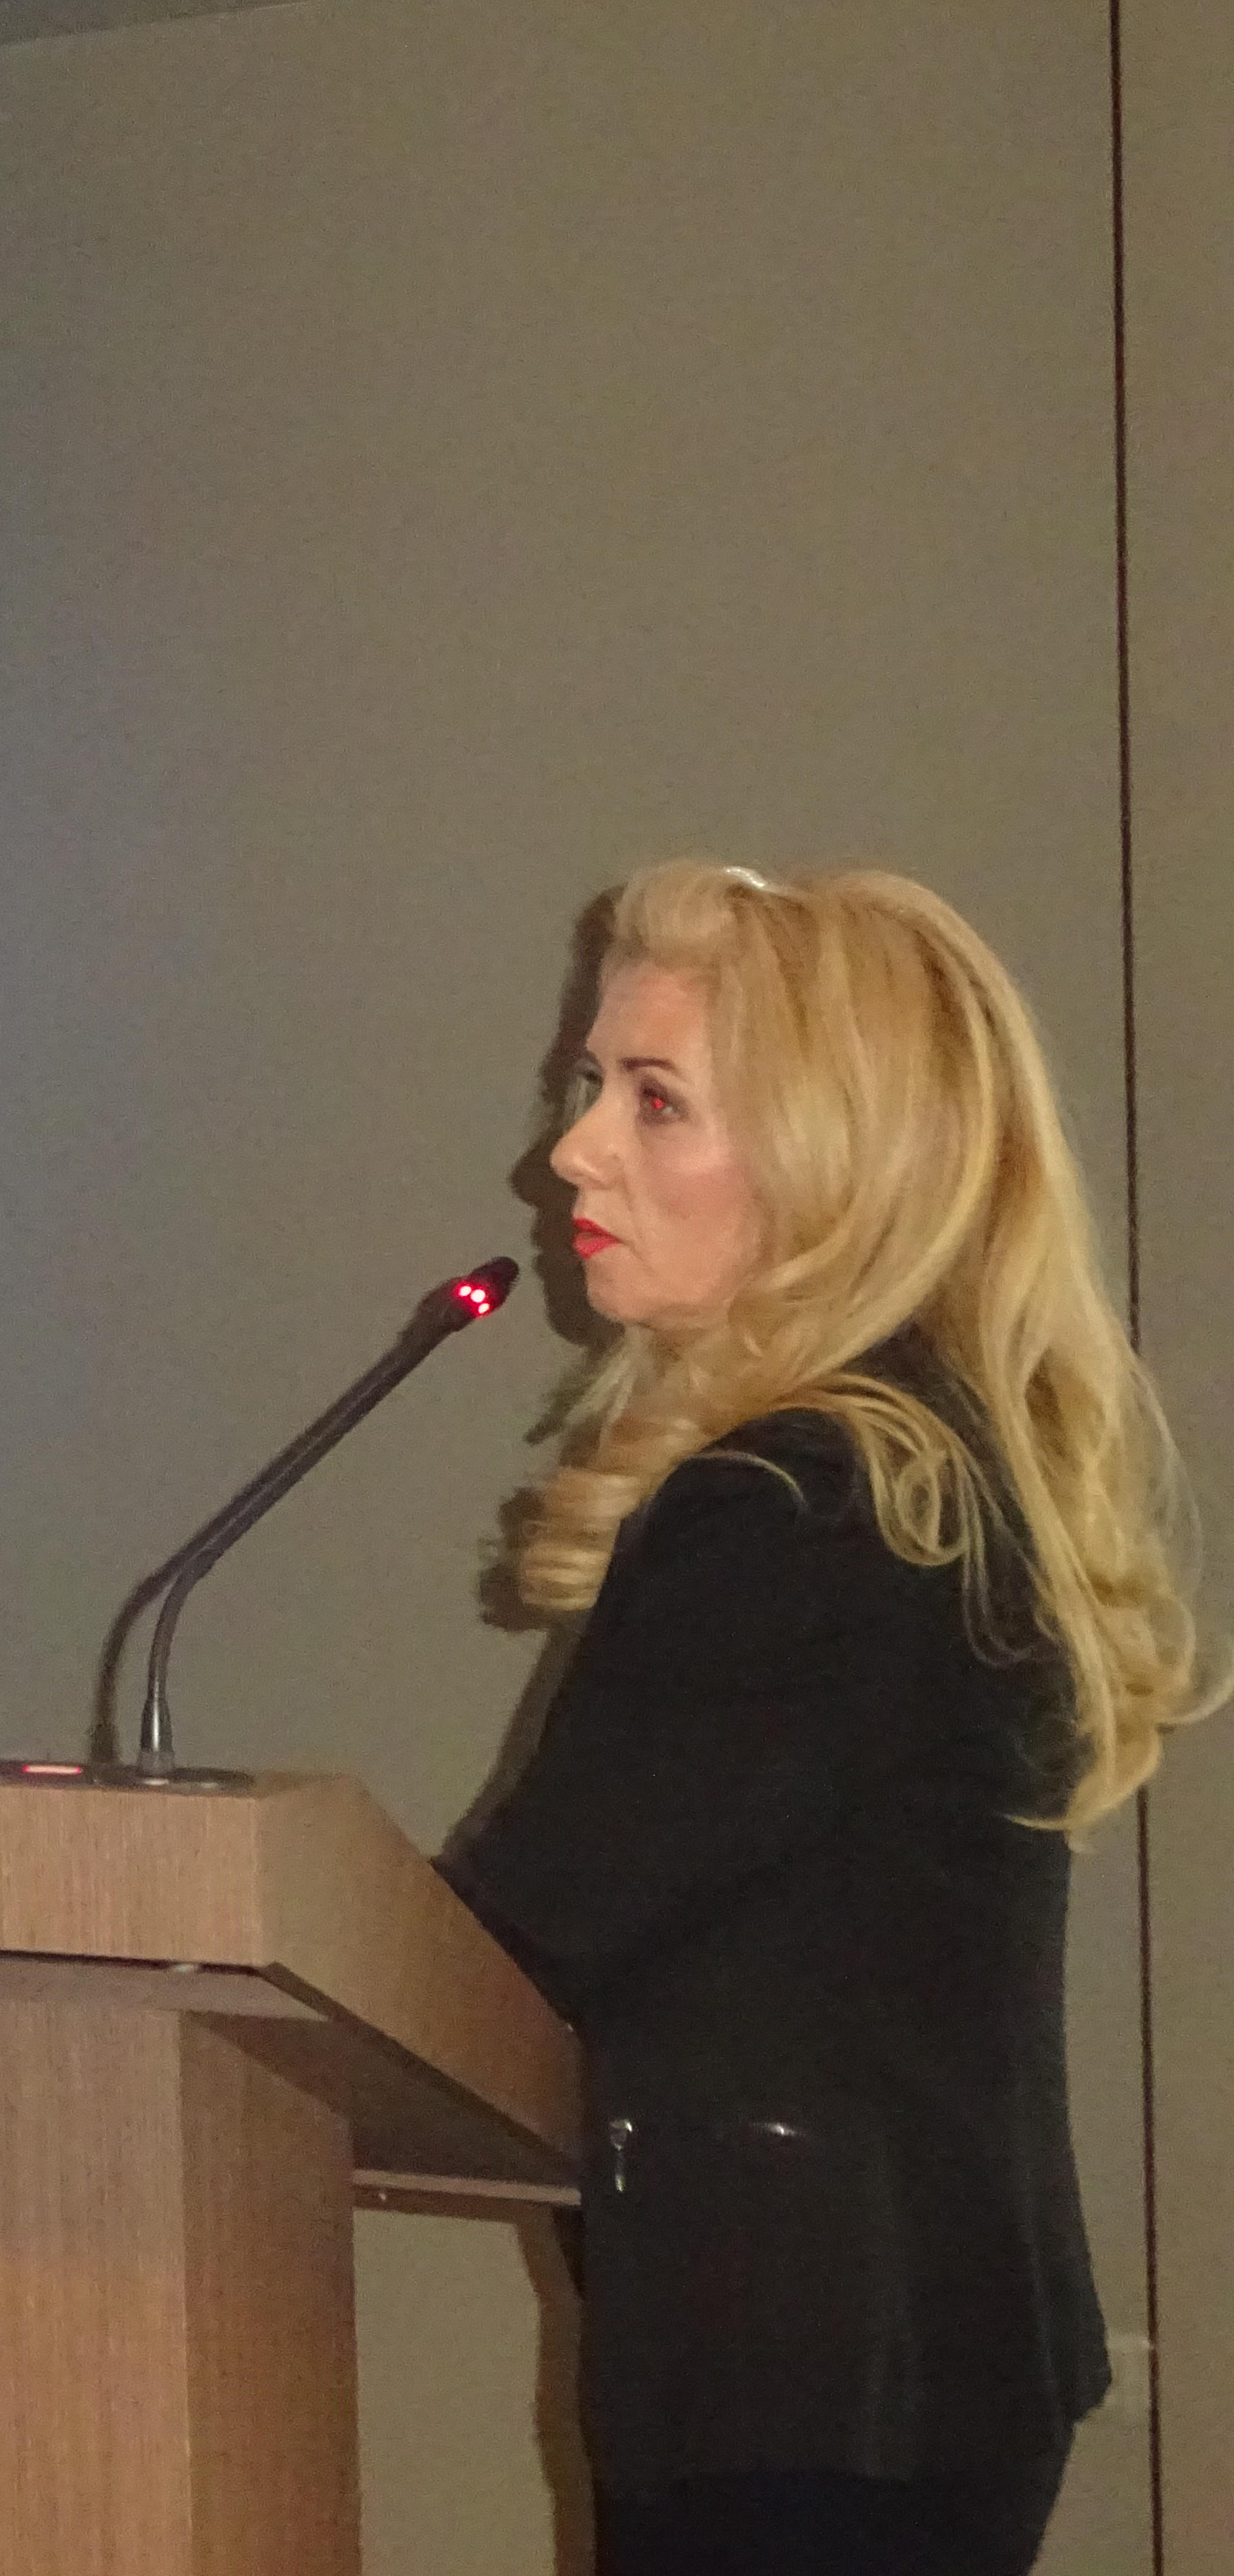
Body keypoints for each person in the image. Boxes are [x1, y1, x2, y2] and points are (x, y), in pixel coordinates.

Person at [442, 860, 1207, 2576]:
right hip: (885, 2381)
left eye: (655, 1099)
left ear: (836, 1163)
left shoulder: (806, 1501)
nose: (574, 1152)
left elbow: (519, 1935)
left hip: (815, 2404)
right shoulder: (914, 1466)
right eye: (591, 1085)